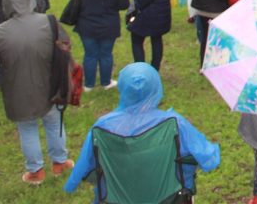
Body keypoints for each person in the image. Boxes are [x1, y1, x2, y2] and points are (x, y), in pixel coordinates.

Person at [64, 63, 220, 201]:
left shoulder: (102, 126)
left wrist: (71, 185)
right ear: (156, 87)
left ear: (122, 89)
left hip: (116, 199)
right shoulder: (174, 123)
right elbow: (209, 158)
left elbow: (84, 166)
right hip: (170, 199)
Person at [0, 0, 74, 185]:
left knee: (27, 128)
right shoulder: (49, 21)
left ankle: (36, 171)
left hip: (17, 90)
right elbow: (65, 46)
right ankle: (60, 162)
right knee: (54, 122)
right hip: (50, 84)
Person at [75, 0, 130, 91]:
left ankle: (88, 85)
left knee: (90, 55)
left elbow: (75, 0)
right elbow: (124, 4)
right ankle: (106, 82)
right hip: (108, 25)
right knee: (106, 54)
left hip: (87, 24)